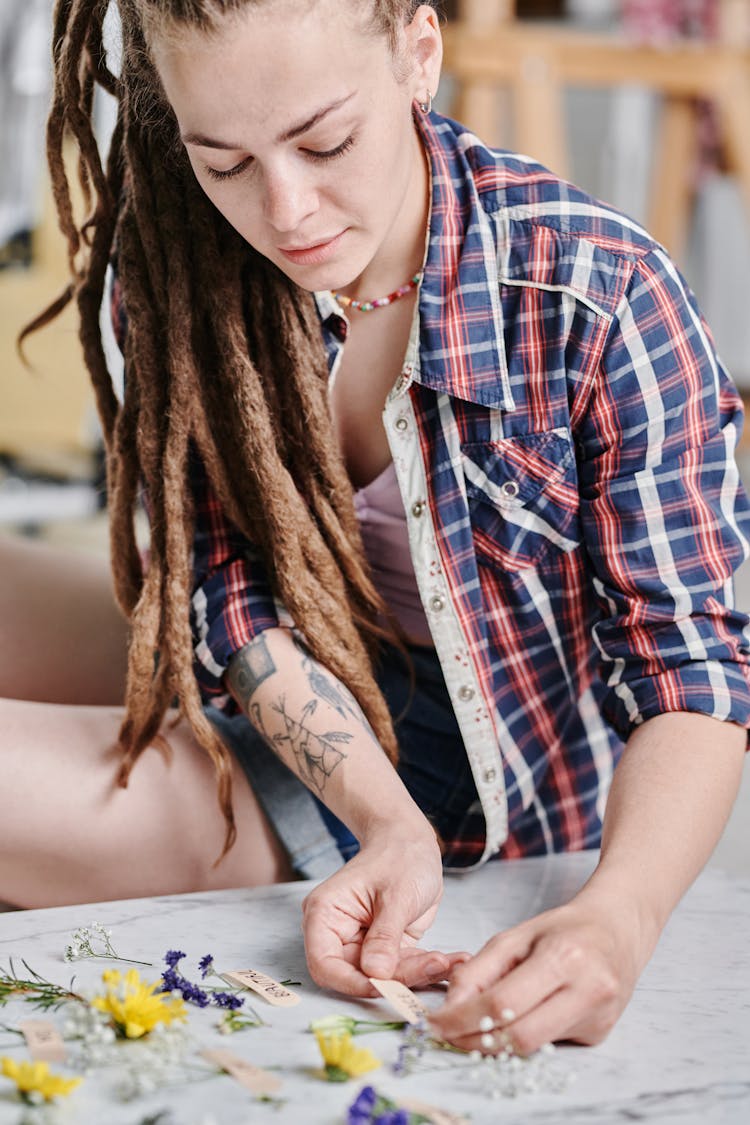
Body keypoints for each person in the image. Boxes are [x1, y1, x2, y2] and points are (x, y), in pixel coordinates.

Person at [5, 0, 749, 1058]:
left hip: (464, 771)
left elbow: (690, 670)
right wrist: (376, 815)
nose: (286, 208)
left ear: (419, 52)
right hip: (306, 691)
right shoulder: (178, 266)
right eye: (225, 161)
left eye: (327, 141)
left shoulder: (599, 292)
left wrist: (618, 915)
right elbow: (223, 588)